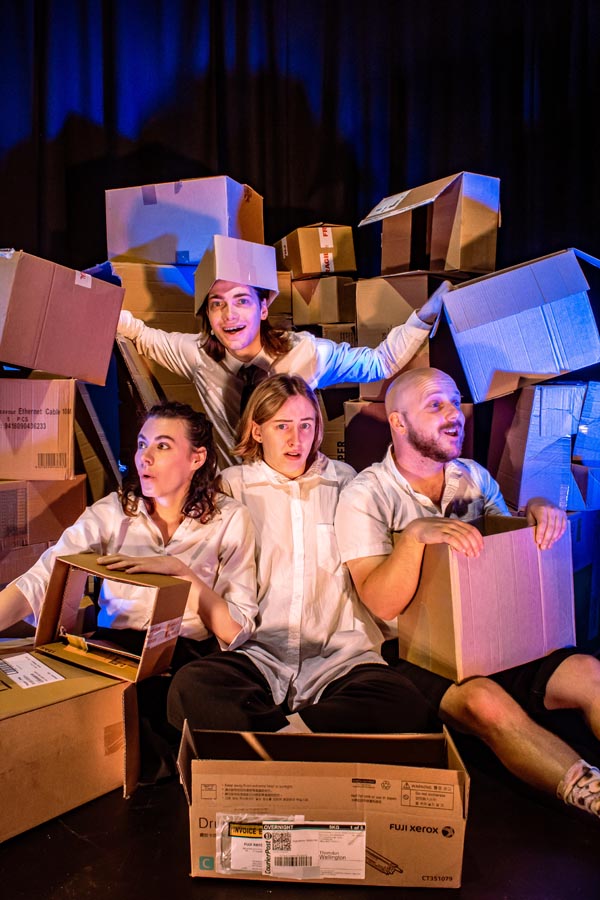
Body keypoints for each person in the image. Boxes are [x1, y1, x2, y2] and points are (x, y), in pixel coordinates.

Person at [335, 367, 600, 821]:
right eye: (435, 405)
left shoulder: (472, 476)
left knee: (589, 673)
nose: (453, 414)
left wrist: (535, 511)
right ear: (398, 423)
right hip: (415, 654)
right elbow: (380, 604)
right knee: (486, 704)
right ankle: (590, 792)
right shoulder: (365, 495)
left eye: (455, 402)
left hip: (493, 636)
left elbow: (507, 540)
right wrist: (415, 537)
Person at [167, 374, 445, 735]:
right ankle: (304, 742)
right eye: (281, 426)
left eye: (306, 425)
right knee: (191, 688)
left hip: (342, 657)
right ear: (256, 430)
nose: (296, 439)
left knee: (403, 703)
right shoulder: (232, 487)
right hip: (258, 654)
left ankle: (274, 742)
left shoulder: (349, 484)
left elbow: (409, 516)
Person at [0, 401, 258, 779]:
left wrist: (181, 573)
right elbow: (46, 576)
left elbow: (236, 630)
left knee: (184, 711)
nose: (145, 458)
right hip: (116, 651)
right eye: (141, 444)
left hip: (186, 658)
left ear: (197, 458)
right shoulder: (114, 512)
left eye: (163, 446)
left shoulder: (230, 518)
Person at [117, 240, 448, 467]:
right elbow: (141, 335)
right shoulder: (198, 355)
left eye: (241, 300)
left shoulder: (304, 352)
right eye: (217, 304)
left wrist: (426, 316)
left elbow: (379, 363)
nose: (229, 315)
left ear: (263, 308)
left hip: (297, 490)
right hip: (237, 490)